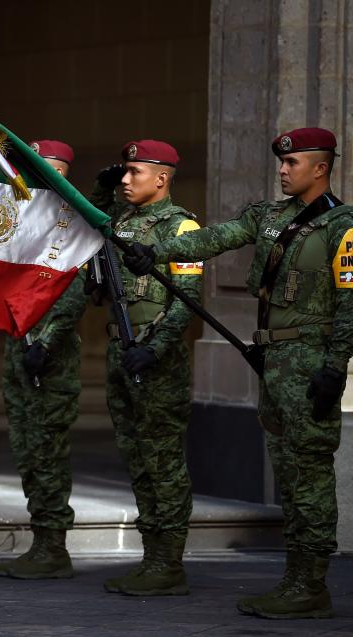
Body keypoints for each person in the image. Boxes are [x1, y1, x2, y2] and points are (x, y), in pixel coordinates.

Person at [124, 127, 351, 619]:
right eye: (282, 164)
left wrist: (336, 368)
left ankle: (311, 585)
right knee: (288, 475)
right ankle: (295, 581)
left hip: (311, 362)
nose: (283, 171)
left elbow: (351, 304)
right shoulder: (267, 216)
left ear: (321, 168)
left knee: (309, 474)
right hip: (273, 362)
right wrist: (157, 252)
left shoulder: (341, 225)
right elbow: (214, 238)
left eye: (294, 164)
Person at [91, 140, 203, 596]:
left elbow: (186, 299)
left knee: (163, 462)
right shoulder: (121, 222)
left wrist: (154, 349)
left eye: (135, 172)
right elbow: (85, 228)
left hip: (156, 358)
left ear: (162, 178)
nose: (125, 179)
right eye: (125, 172)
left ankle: (169, 563)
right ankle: (151, 557)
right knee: (137, 459)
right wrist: (99, 193)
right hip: (120, 351)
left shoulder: (182, 227)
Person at [0, 140, 88, 580]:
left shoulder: (73, 223)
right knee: (27, 450)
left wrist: (45, 344)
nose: (35, 177)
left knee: (48, 451)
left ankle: (54, 547)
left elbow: (73, 296)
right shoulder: (21, 222)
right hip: (19, 348)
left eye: (45, 169)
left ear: (63, 174)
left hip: (50, 356)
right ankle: (41, 540)